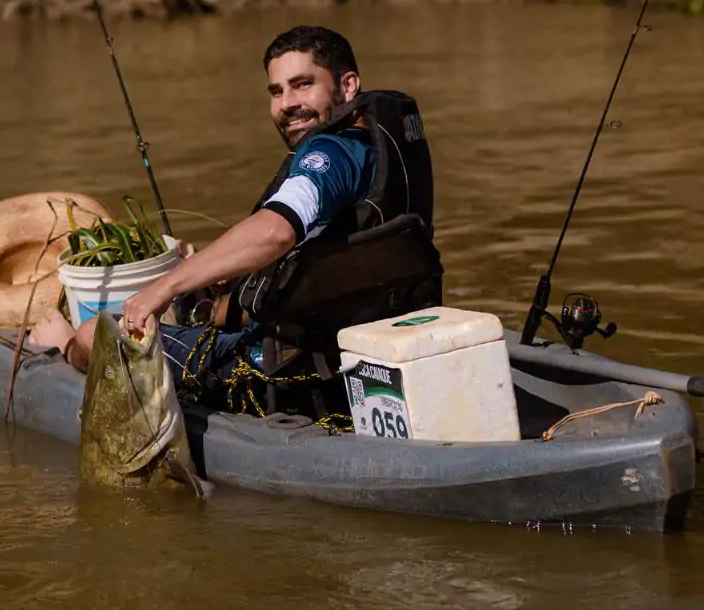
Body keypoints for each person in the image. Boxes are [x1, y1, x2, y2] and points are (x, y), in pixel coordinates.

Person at [30, 24, 442, 410]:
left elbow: (278, 230)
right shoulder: (375, 144)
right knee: (204, 301)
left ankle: (60, 345)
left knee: (96, 334)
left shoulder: (328, 156)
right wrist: (206, 270)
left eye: (303, 85)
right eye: (277, 91)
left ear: (348, 86)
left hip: (286, 375)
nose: (287, 105)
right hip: (362, 345)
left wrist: (166, 285)